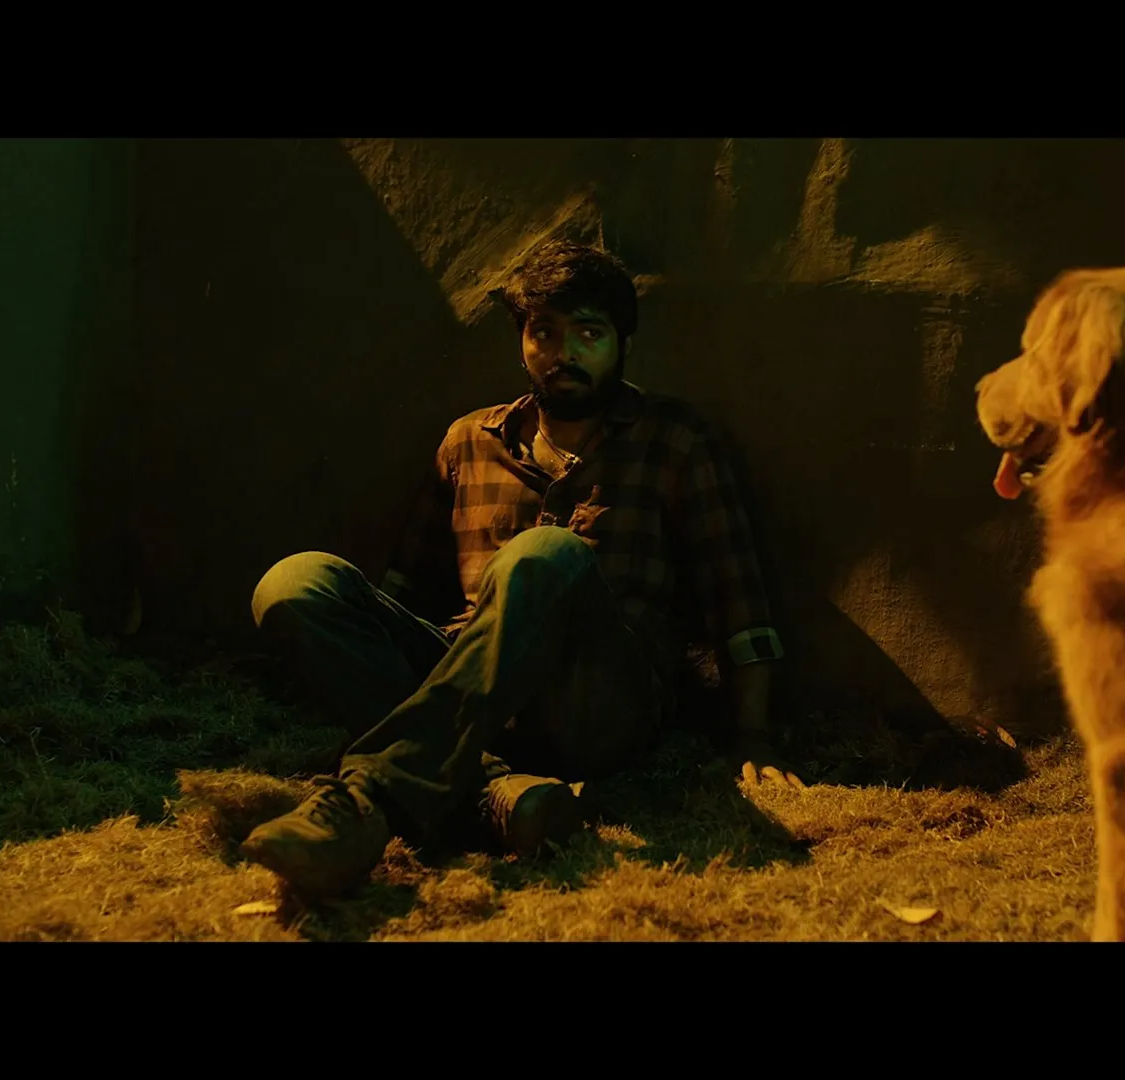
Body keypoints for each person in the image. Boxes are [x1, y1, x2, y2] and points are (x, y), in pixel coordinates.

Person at [240, 239, 802, 900]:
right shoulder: (469, 441)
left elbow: (738, 602)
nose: (565, 352)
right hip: (476, 692)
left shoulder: (676, 441)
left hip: (598, 702)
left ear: (623, 342)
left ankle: (369, 801)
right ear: (522, 342)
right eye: (545, 333)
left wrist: (753, 736)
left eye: (589, 333)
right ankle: (496, 792)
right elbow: (401, 591)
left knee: (546, 554)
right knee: (296, 583)